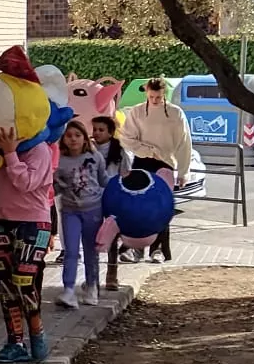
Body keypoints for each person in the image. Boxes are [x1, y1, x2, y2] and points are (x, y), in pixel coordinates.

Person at [0, 121, 58, 364]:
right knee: (6, 286)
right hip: (3, 219)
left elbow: (25, 183)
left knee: (24, 282)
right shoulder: (0, 150)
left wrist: (11, 153)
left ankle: (38, 335)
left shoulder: (39, 149)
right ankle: (15, 342)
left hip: (33, 223)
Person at [120, 79, 192, 263]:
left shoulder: (175, 113)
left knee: (161, 207)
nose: (155, 100)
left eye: (158, 97)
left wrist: (184, 171)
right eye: (151, 96)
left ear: (164, 94)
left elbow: (184, 144)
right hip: (142, 161)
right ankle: (133, 248)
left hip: (165, 162)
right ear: (146, 94)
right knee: (137, 206)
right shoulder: (137, 111)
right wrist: (147, 150)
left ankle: (158, 249)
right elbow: (127, 137)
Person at [52, 120, 112, 309]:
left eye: (77, 135)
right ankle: (69, 289)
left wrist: (120, 184)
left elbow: (103, 180)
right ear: (64, 139)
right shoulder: (59, 160)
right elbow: (54, 188)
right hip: (70, 211)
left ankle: (92, 286)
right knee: (70, 250)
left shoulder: (95, 157)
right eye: (69, 136)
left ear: (85, 138)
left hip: (93, 210)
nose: (73, 139)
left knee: (90, 251)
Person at [91, 115, 131, 291]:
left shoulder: (120, 152)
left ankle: (112, 275)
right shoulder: (88, 149)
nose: (97, 133)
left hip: (113, 198)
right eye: (95, 129)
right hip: (91, 198)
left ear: (110, 132)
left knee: (112, 237)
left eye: (101, 130)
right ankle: (92, 277)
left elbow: (126, 175)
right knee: (92, 236)